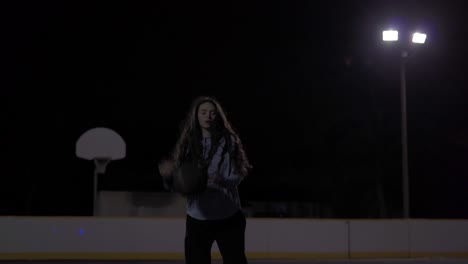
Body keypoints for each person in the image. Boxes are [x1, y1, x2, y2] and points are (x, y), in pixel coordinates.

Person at [158, 96, 252, 264]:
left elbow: (239, 174)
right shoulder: (187, 144)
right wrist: (168, 177)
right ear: (196, 115)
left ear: (218, 116)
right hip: (197, 220)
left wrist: (221, 179)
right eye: (203, 112)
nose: (208, 116)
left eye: (212, 113)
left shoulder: (228, 140)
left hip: (228, 217)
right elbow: (179, 185)